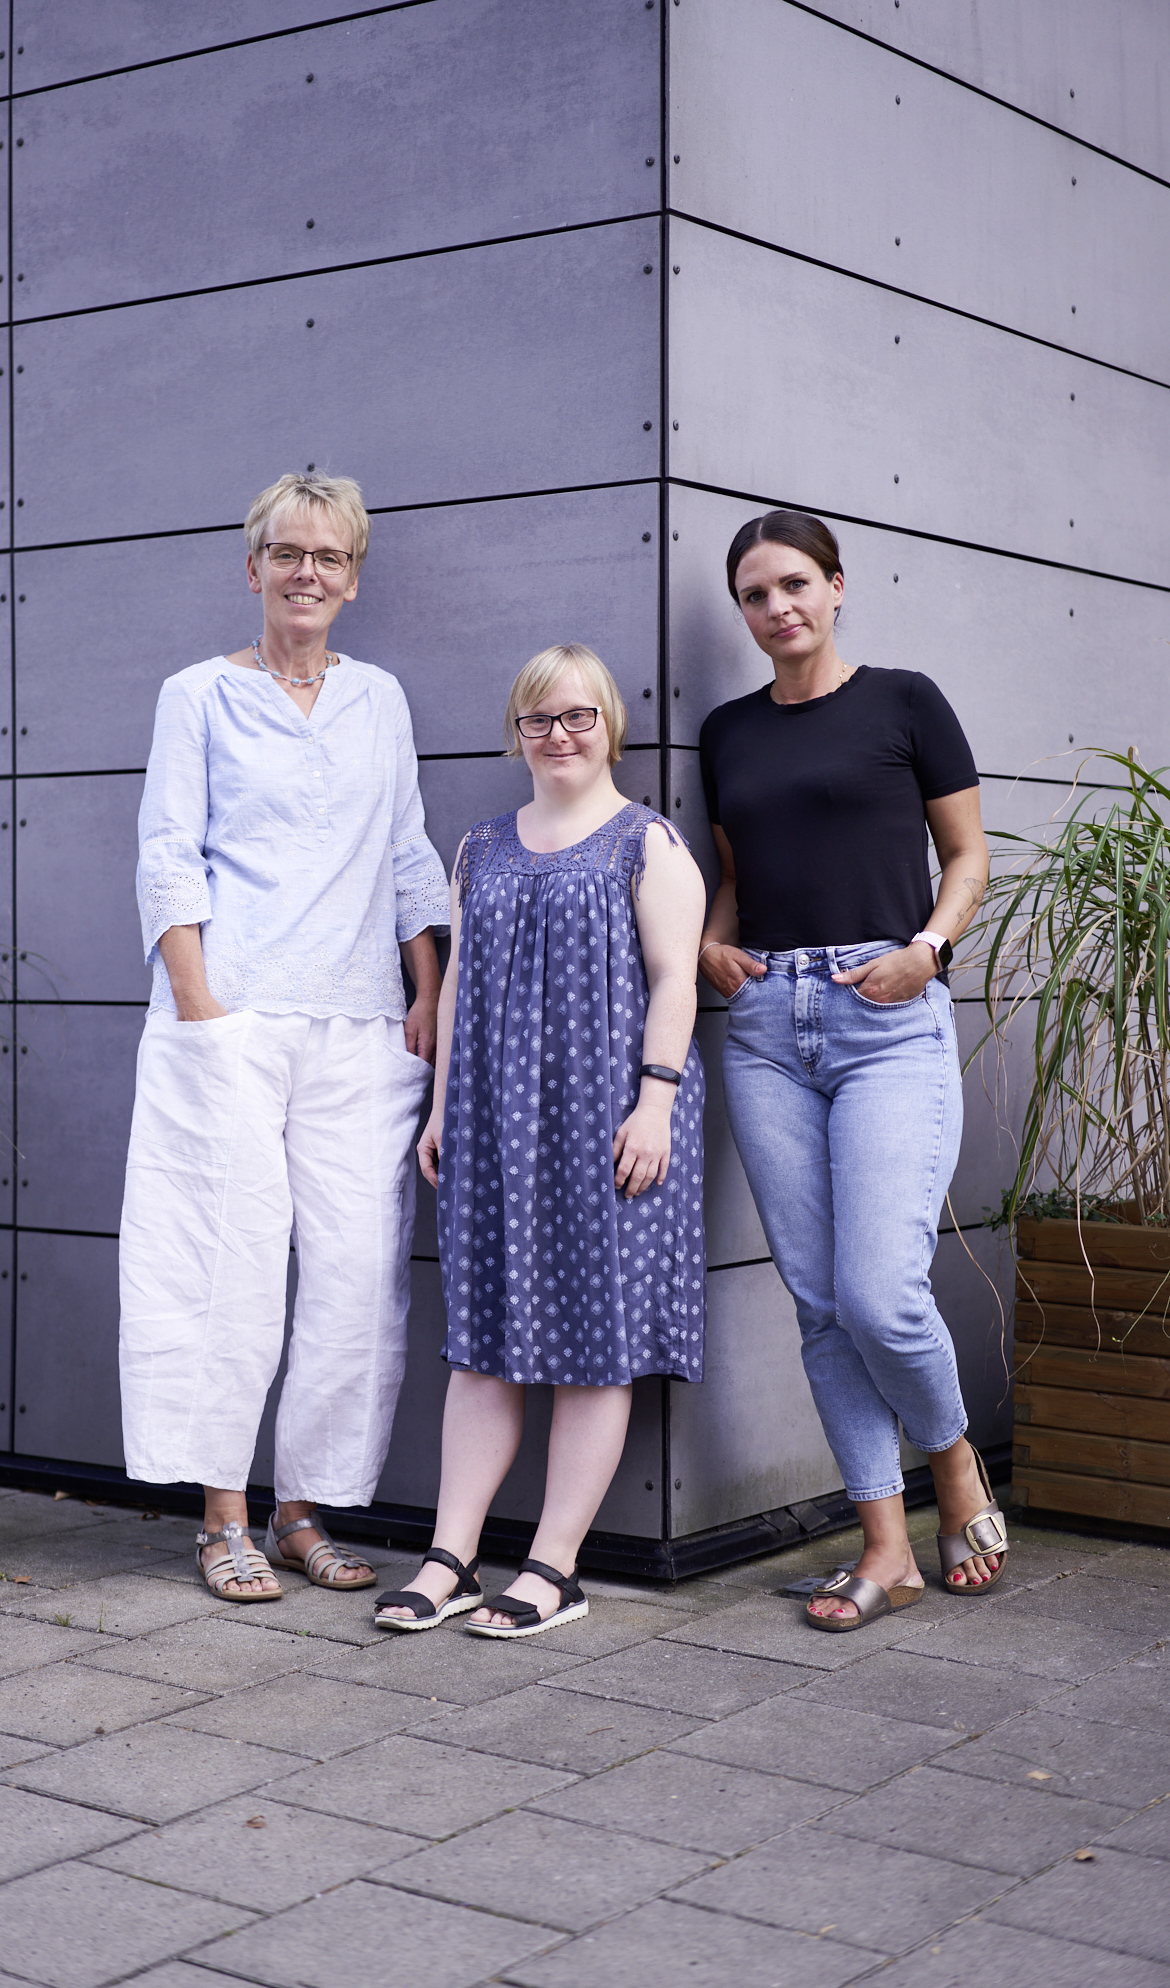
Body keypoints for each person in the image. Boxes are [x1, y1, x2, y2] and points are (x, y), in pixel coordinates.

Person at [118, 471, 448, 1602]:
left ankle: (303, 1507)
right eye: (288, 552)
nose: (309, 572)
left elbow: (407, 850)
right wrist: (201, 1003)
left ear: (355, 578)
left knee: (356, 1274)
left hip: (363, 1025)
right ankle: (222, 1516)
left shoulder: (381, 699)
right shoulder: (197, 695)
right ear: (250, 565)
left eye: (331, 557)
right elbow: (169, 848)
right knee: (228, 1264)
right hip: (234, 1018)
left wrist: (426, 991)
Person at [697, 510, 1006, 1632]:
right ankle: (886, 1544)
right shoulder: (729, 731)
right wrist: (708, 941)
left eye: (793, 585)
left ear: (837, 586)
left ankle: (953, 1455)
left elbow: (967, 853)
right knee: (823, 1305)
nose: (775, 608)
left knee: (880, 1291)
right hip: (769, 1019)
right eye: (753, 595)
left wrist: (927, 951)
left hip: (886, 1013)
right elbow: (740, 872)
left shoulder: (906, 701)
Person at [374, 644, 706, 1637]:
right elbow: (462, 982)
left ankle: (554, 1567)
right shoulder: (477, 847)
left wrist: (655, 1104)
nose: (558, 736)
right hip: (491, 1122)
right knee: (483, 1343)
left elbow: (677, 980)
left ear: (610, 726)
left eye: (578, 717)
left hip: (610, 1121)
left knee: (593, 1348)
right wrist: (440, 1110)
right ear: (516, 731)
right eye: (538, 719)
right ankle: (450, 1556)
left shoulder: (649, 844)